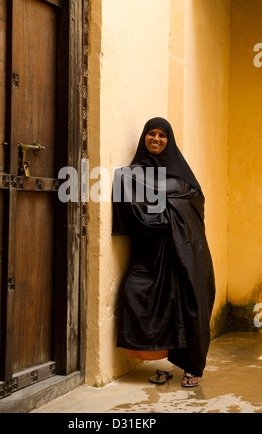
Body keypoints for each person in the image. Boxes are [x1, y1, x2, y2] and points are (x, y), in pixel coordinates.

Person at [112, 117, 215, 387]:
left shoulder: (183, 176)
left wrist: (167, 210)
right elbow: (134, 214)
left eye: (162, 135)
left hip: (184, 251)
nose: (156, 139)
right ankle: (150, 351)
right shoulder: (131, 174)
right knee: (133, 291)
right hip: (150, 252)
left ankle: (193, 367)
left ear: (169, 140)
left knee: (189, 304)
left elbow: (194, 205)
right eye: (151, 134)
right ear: (144, 137)